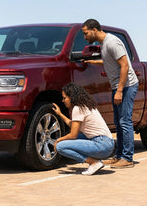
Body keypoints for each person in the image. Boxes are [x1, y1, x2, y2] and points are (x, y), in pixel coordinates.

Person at [81, 18, 139, 168]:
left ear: (94, 29)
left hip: (127, 86)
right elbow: (110, 61)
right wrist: (94, 62)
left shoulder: (112, 42)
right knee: (119, 122)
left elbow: (125, 65)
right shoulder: (104, 44)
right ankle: (119, 155)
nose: (85, 37)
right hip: (118, 87)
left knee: (125, 121)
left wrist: (120, 90)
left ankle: (128, 158)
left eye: (86, 33)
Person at [53, 83, 114, 175]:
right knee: (75, 136)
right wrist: (60, 114)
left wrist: (58, 140)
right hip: (107, 144)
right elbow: (73, 125)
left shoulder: (77, 108)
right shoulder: (85, 106)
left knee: (60, 146)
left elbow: (73, 135)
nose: (63, 100)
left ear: (72, 97)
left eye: (65, 98)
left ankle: (93, 162)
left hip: (102, 145)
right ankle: (95, 160)